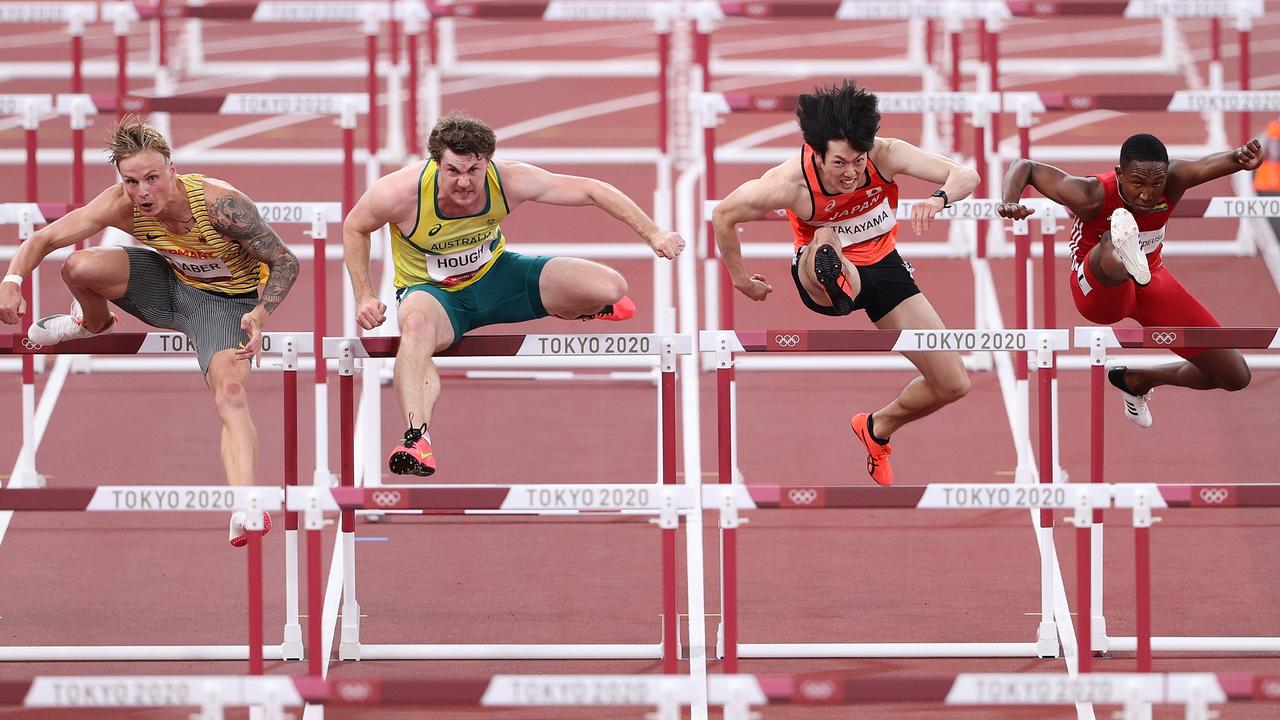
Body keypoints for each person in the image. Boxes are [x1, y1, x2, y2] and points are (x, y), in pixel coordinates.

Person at [0, 118, 300, 547]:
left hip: (224, 306)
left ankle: (247, 505)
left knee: (230, 394)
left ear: (172, 170)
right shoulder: (121, 204)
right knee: (78, 265)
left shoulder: (222, 207)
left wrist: (261, 313)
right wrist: (11, 281)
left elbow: (287, 262)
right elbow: (46, 239)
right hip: (167, 283)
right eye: (132, 181)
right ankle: (93, 322)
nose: (143, 192)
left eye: (152, 179)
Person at [344, 111, 685, 477]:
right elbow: (355, 226)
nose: (464, 182)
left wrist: (653, 234)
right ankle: (416, 439)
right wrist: (363, 294)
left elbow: (592, 189)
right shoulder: (400, 192)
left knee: (611, 287)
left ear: (487, 163)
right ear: (436, 163)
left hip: (498, 278)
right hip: (436, 297)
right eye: (453, 171)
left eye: (474, 171)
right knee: (414, 328)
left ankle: (575, 308)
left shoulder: (508, 180)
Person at [710, 80, 977, 487]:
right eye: (839, 164)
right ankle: (838, 282)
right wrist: (741, 280)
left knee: (953, 383)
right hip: (817, 270)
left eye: (857, 161)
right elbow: (723, 215)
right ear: (817, 154)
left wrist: (939, 198)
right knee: (826, 240)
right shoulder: (787, 183)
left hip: (884, 267)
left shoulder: (886, 154)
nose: (851, 173)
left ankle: (876, 427)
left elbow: (966, 173)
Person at [997, 133, 1262, 427]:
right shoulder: (1091, 193)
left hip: (1151, 280)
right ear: (1120, 173)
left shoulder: (1174, 178)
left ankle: (1138, 379)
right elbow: (1025, 167)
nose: (1147, 194)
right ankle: (1122, 250)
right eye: (1137, 183)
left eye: (1156, 184)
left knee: (1235, 375)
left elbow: (1214, 163)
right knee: (1111, 244)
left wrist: (1242, 159)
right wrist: (1009, 201)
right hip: (1098, 286)